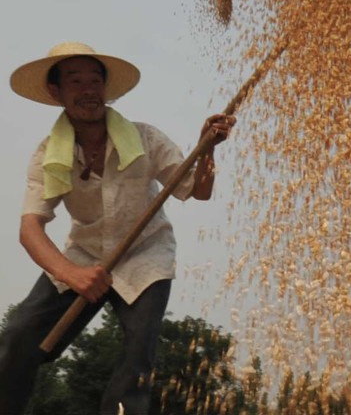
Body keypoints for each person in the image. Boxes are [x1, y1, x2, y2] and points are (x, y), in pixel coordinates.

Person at [0, 42, 236, 414]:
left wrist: (209, 149)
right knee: (17, 340)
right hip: (84, 258)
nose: (88, 89)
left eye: (96, 80)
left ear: (106, 89)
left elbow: (198, 190)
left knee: (137, 357)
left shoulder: (146, 139)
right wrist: (72, 274)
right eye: (75, 81)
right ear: (55, 91)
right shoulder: (48, 154)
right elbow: (30, 229)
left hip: (146, 258)